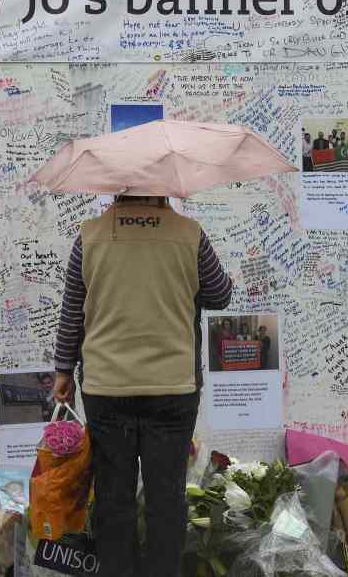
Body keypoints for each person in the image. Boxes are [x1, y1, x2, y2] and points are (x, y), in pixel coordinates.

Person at [52, 194, 232, 577]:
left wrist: (64, 369)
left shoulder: (90, 236)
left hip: (106, 388)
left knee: (114, 500)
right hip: (173, 388)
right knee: (165, 500)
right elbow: (220, 294)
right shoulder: (190, 234)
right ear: (163, 185)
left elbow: (73, 310)